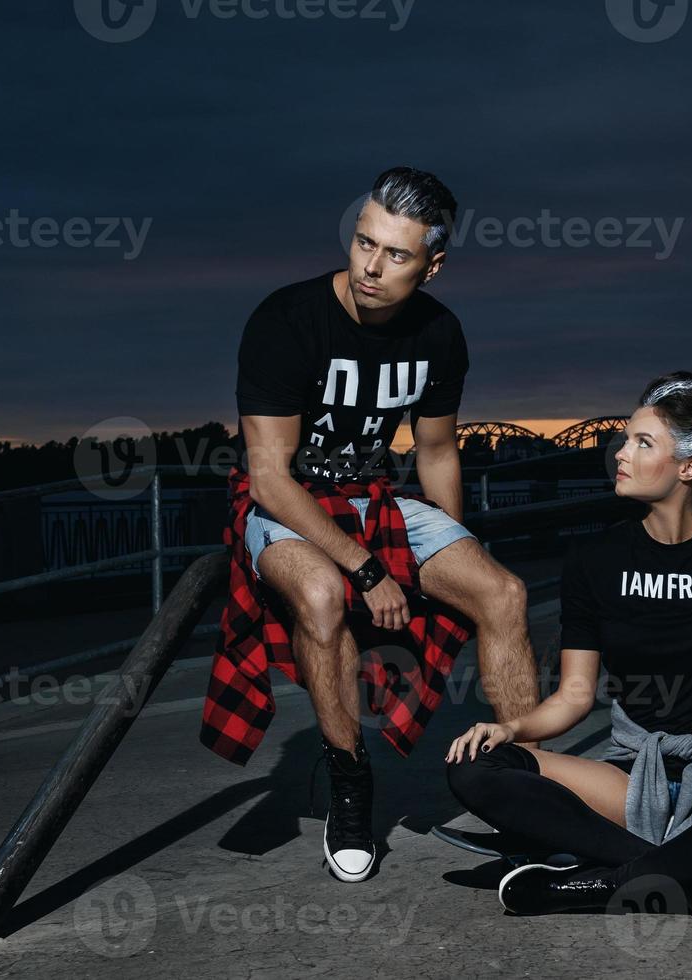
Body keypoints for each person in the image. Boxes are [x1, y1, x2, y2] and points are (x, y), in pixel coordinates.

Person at [200, 166, 540, 885]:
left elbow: (439, 450)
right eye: (363, 244)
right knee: (322, 595)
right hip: (285, 502)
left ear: (433, 263)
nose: (371, 268)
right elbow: (268, 477)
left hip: (374, 498)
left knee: (503, 593)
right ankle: (351, 781)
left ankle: (526, 790)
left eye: (395, 255)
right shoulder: (286, 320)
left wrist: (452, 548)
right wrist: (369, 568)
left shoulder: (440, 333)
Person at [443, 371, 692, 918]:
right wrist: (510, 729)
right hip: (629, 774)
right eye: (625, 438)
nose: (620, 453)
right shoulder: (594, 560)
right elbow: (575, 696)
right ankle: (680, 874)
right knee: (475, 766)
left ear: (688, 468)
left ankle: (595, 883)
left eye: (643, 443)